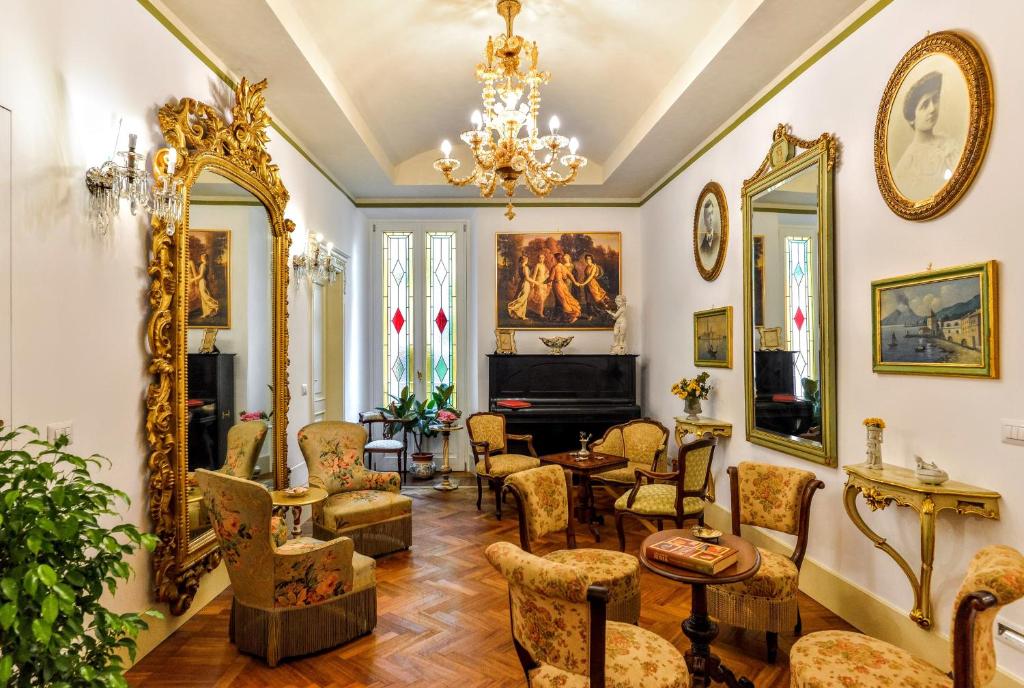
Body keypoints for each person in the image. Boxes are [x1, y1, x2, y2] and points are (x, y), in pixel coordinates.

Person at [893, 70, 961, 200]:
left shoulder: (949, 143)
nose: (932, 109)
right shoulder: (907, 164)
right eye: (924, 105)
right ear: (912, 118)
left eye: (935, 99)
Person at [575, 253, 612, 318]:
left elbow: (590, 277)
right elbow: (585, 276)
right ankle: (590, 315)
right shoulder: (587, 267)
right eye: (586, 259)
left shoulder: (594, 266)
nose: (587, 260)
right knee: (588, 299)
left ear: (592, 259)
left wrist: (583, 283)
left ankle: (607, 311)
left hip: (592, 284)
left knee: (597, 298)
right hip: (587, 285)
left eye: (589, 259)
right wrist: (582, 282)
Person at [549, 253, 581, 324]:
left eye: (552, 258)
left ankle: (573, 315)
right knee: (566, 299)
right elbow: (570, 275)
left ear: (555, 259)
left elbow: (550, 278)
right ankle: (565, 317)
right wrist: (575, 282)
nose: (551, 259)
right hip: (563, 284)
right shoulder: (563, 266)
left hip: (557, 285)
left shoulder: (555, 267)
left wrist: (541, 282)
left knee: (563, 301)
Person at [189, 253, 220, 320]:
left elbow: (201, 276)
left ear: (203, 258)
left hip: (202, 282)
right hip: (203, 281)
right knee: (203, 298)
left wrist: (192, 279)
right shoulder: (206, 265)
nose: (201, 258)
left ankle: (215, 305)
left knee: (205, 296)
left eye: (202, 257)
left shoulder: (203, 265)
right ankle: (206, 313)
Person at [506, 255, 533, 320]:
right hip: (525, 284)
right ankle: (511, 307)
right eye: (527, 259)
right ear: (525, 260)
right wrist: (536, 282)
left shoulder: (520, 267)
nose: (527, 260)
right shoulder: (525, 267)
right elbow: (527, 278)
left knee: (524, 299)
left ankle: (522, 315)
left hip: (521, 283)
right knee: (522, 299)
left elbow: (522, 277)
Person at [527, 249, 551, 319]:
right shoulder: (537, 265)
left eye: (542, 258)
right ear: (538, 259)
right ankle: (540, 313)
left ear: (544, 259)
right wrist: (533, 284)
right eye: (540, 258)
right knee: (540, 298)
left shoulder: (544, 265)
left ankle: (540, 312)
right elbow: (534, 275)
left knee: (542, 298)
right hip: (538, 282)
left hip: (544, 283)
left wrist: (547, 276)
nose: (541, 259)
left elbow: (547, 274)